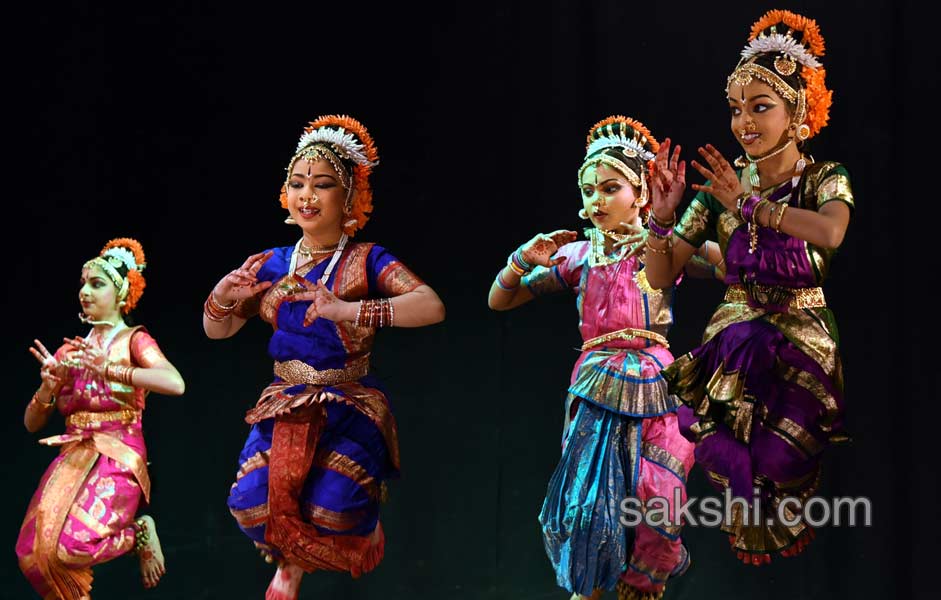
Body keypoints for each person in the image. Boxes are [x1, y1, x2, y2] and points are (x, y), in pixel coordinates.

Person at [205, 115, 445, 600]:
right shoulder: (271, 262)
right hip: (284, 401)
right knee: (250, 507)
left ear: (351, 197)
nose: (307, 196)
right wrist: (222, 294)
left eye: (323, 185)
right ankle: (290, 563)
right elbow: (219, 330)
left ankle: (350, 539)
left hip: (348, 401)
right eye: (297, 184)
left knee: (334, 510)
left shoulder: (366, 259)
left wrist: (350, 309)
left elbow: (430, 306)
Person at [644, 10, 852, 565]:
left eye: (761, 107)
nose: (744, 123)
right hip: (735, 337)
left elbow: (831, 230)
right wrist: (661, 222)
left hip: (802, 338)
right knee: (711, 436)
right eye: (737, 110)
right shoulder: (720, 188)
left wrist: (749, 205)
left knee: (782, 460)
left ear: (798, 113)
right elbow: (661, 276)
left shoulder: (821, 178)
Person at [489, 116, 720, 600]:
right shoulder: (578, 255)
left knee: (659, 497)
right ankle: (588, 587)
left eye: (609, 188)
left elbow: (726, 261)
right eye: (589, 190)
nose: (596, 201)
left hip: (657, 379)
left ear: (641, 191)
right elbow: (501, 300)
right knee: (591, 504)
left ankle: (647, 578)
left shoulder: (663, 246)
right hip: (596, 382)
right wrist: (520, 260)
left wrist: (718, 219)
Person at [16, 237, 184, 598]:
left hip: (117, 452)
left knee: (69, 547)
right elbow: (31, 424)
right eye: (83, 284)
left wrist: (112, 369)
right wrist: (47, 389)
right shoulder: (69, 351)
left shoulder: (133, 341)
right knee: (32, 552)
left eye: (97, 284)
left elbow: (174, 382)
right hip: (74, 455)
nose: (85, 292)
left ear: (122, 293)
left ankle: (139, 530)